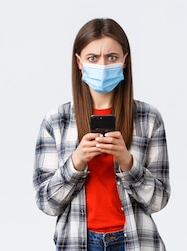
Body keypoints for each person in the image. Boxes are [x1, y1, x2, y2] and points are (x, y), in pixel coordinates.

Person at [33, 18, 170, 251]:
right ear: (79, 62)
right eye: (93, 58)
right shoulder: (56, 120)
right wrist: (76, 162)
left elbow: (158, 200)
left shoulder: (148, 118)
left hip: (135, 241)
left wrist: (128, 163)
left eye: (112, 57)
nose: (103, 65)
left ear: (125, 60)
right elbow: (47, 203)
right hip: (78, 241)